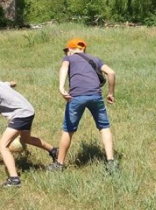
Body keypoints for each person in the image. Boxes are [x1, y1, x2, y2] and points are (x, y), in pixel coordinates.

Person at [0, 70, 58, 188]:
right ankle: (55, 151)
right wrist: (13, 83)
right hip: (29, 111)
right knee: (26, 139)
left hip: (20, 115)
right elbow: (10, 83)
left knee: (2, 146)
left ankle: (14, 179)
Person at [49, 38, 118, 173]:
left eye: (66, 51)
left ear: (70, 49)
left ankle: (59, 165)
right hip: (96, 96)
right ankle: (111, 162)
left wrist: (61, 87)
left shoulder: (69, 59)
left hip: (76, 97)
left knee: (68, 130)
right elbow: (111, 73)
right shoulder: (95, 59)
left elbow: (64, 68)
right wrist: (110, 93)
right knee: (104, 127)